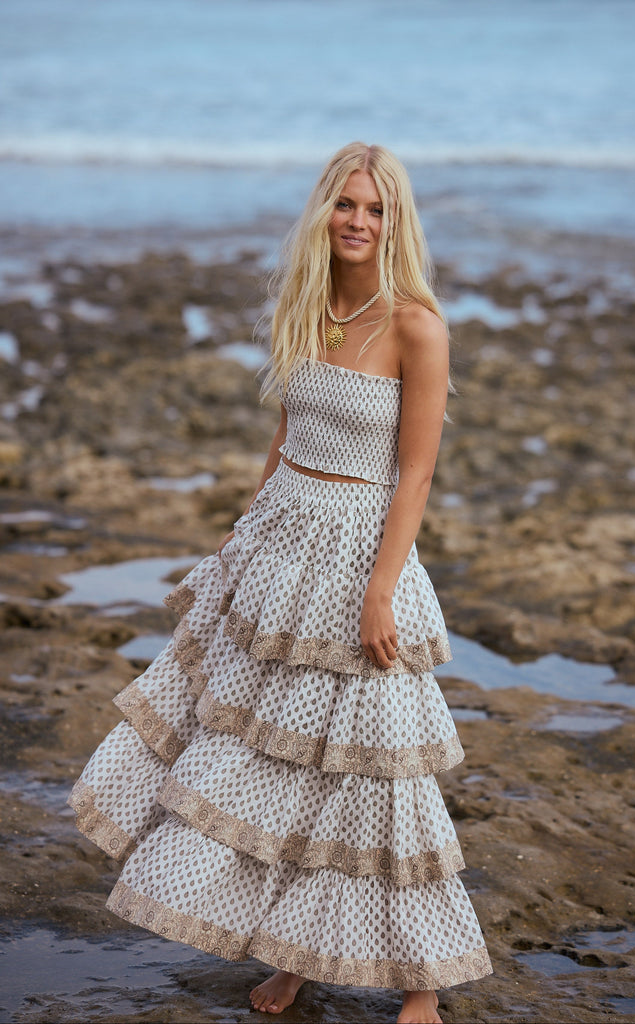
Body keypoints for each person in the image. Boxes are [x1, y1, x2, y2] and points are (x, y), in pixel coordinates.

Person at [69, 142, 492, 1024]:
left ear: (395, 221)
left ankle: (424, 985)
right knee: (272, 762)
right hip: (277, 549)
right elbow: (289, 433)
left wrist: (381, 590)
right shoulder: (306, 303)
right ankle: (292, 957)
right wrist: (243, 529)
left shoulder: (416, 323)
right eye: (345, 204)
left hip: (355, 559)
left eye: (375, 210)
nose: (358, 222)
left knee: (375, 774)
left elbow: (413, 475)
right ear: (323, 210)